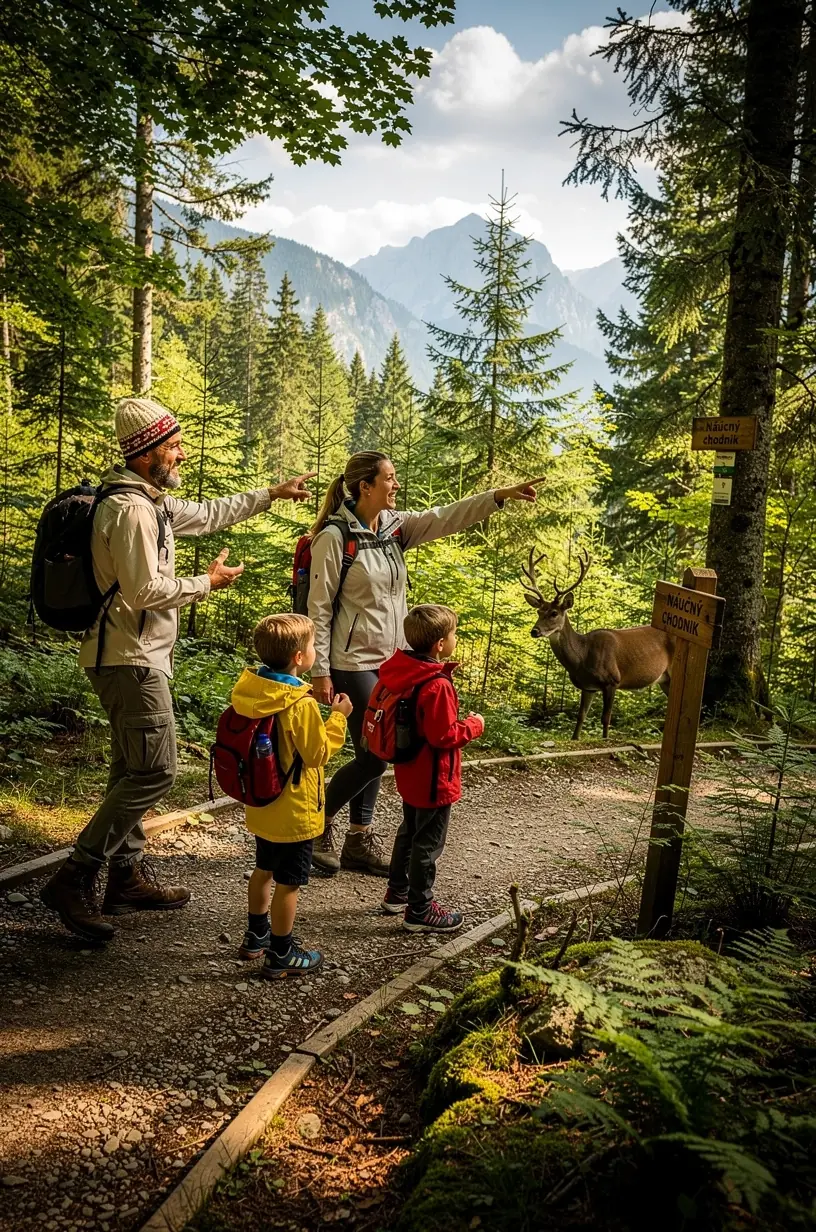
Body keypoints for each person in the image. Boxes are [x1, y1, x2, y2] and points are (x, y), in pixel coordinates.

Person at [41, 396, 316, 944]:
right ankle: (74, 877)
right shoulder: (132, 510)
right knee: (154, 772)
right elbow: (145, 590)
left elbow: (210, 514)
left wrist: (270, 495)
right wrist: (204, 585)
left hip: (135, 656)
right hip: (128, 658)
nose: (181, 454)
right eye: (172, 446)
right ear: (146, 454)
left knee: (130, 771)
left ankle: (124, 877)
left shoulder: (153, 502)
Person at [307, 451, 542, 876]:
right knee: (377, 756)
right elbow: (318, 609)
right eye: (390, 478)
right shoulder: (334, 538)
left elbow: (446, 516)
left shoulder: (395, 529)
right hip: (351, 660)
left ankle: (358, 839)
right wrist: (320, 670)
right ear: (366, 486)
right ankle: (317, 823)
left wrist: (498, 497)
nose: (396, 485)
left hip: (394, 660)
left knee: (380, 747)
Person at [231, 613, 351, 977]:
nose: (315, 651)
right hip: (294, 811)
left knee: (263, 869)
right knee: (289, 884)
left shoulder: (251, 691)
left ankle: (256, 936)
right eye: (313, 646)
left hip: (262, 805)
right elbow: (316, 753)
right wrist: (339, 717)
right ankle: (282, 953)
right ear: (299, 657)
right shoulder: (300, 703)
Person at [379, 604, 483, 932]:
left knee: (409, 831)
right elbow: (444, 735)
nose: (455, 638)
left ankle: (397, 892)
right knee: (428, 842)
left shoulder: (403, 672)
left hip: (409, 772)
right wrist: (474, 725)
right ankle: (420, 910)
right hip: (435, 777)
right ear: (440, 643)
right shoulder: (436, 684)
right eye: (453, 634)